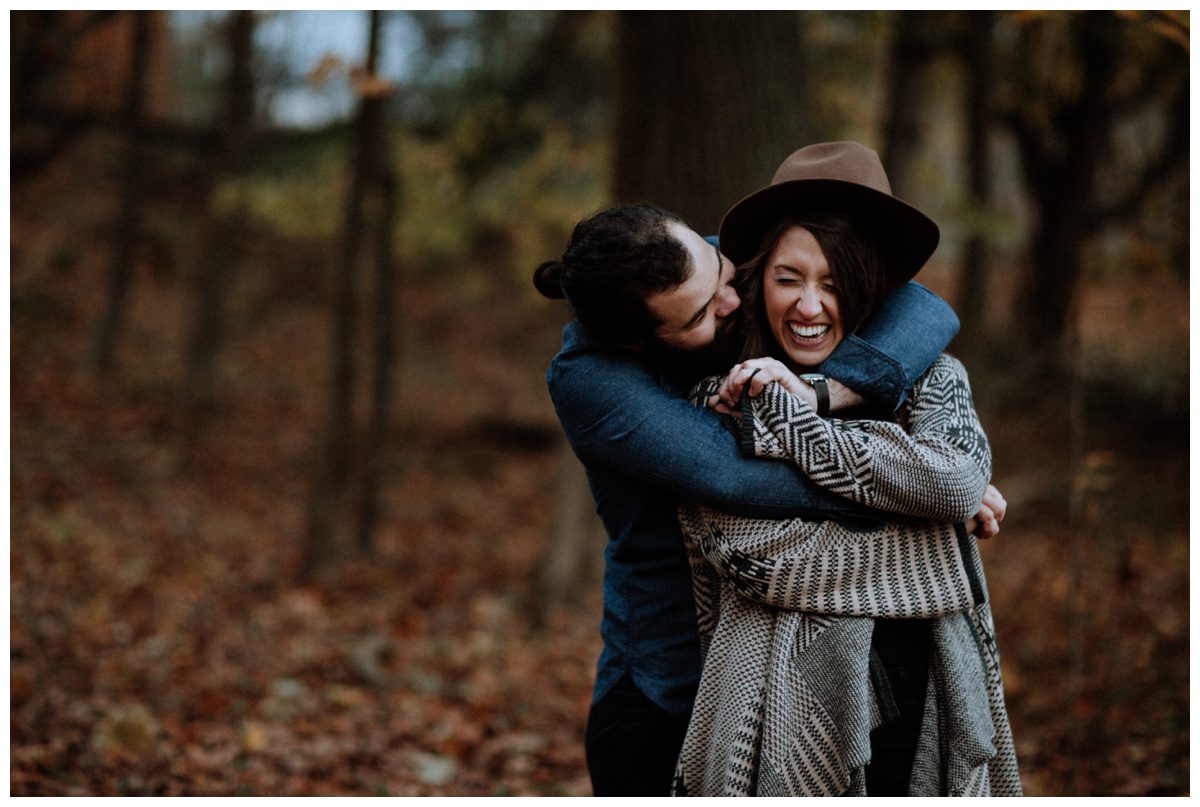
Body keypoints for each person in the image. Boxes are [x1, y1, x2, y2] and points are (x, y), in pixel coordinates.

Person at [533, 203, 968, 795]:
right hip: (670, 688)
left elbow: (924, 309)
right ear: (638, 343)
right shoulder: (591, 380)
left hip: (786, 679)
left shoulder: (704, 268)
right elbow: (733, 476)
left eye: (721, 270)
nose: (733, 300)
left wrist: (827, 392)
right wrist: (922, 489)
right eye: (699, 315)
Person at [669, 141, 1020, 796]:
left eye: (834, 283)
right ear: (758, 280)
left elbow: (955, 482)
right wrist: (938, 530)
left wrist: (806, 412)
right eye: (789, 278)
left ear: (871, 287)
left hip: (932, 686)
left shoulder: (936, 378)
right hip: (773, 712)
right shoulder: (722, 398)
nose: (809, 306)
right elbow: (754, 554)